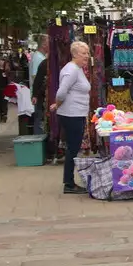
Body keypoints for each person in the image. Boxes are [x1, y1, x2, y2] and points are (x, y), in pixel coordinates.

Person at [49, 40, 93, 195]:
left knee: (72, 149)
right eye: (83, 53)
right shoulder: (72, 70)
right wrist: (58, 104)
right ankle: (69, 183)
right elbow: (61, 92)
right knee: (72, 149)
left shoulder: (77, 69)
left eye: (87, 53)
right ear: (75, 54)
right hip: (72, 115)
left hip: (75, 113)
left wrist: (58, 105)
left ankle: (69, 181)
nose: (87, 56)